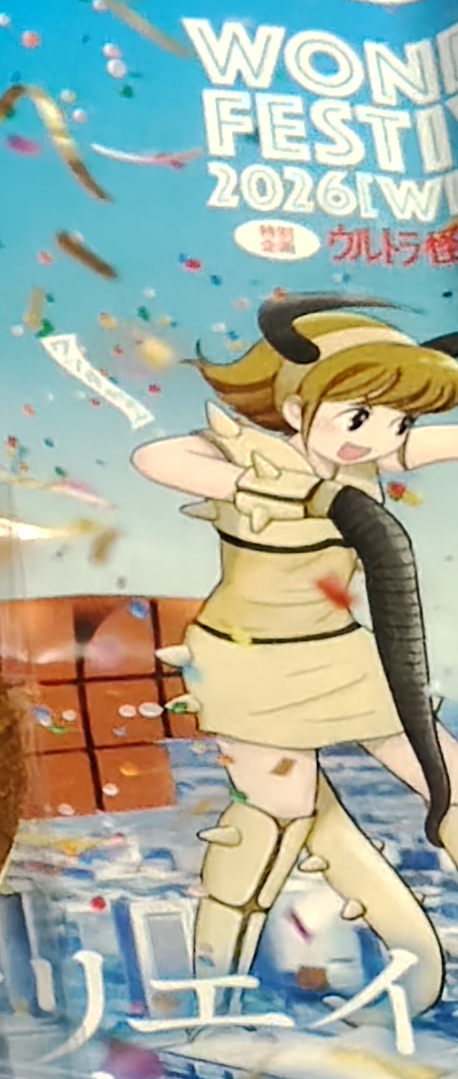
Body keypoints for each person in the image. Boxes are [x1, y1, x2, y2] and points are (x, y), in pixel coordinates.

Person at [129, 296, 458, 1018]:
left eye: (398, 420)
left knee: (453, 778)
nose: (378, 437)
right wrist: (288, 489)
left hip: (341, 654)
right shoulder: (257, 457)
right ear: (295, 403)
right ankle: (212, 1001)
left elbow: (433, 443)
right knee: (275, 821)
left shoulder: (366, 458)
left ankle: (415, 961)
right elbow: (156, 456)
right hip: (251, 664)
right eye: (358, 415)